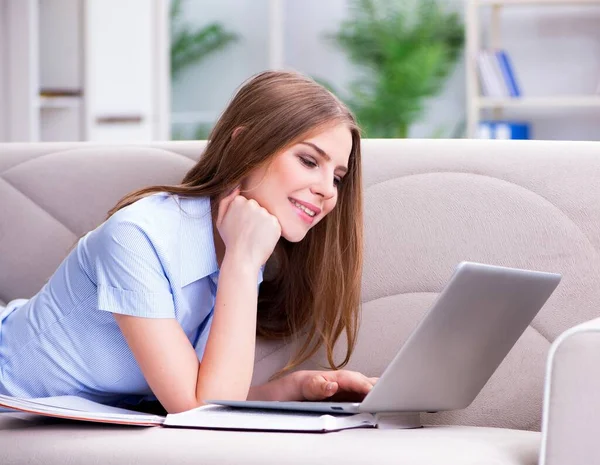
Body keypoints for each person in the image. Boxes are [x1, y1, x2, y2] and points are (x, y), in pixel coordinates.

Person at [0, 70, 376, 414]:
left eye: (338, 177)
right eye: (310, 161)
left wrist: (293, 389)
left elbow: (204, 396)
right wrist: (243, 264)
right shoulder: (137, 235)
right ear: (245, 148)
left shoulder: (247, 237)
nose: (327, 190)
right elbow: (198, 413)